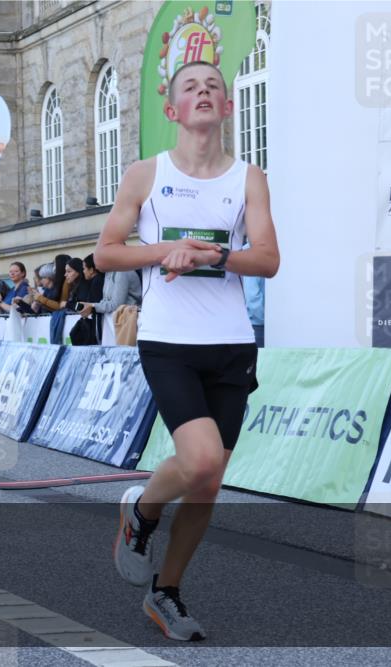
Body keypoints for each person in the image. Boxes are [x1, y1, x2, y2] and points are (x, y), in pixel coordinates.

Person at [96, 61, 279, 641]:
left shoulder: (249, 178)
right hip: (169, 341)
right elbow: (105, 254)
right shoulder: (146, 175)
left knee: (209, 481)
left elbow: (269, 260)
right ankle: (143, 510)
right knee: (199, 462)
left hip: (231, 345)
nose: (204, 93)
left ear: (227, 108)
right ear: (173, 110)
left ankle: (166, 592)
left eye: (214, 88)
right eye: (190, 88)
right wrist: (161, 252)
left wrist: (213, 256)